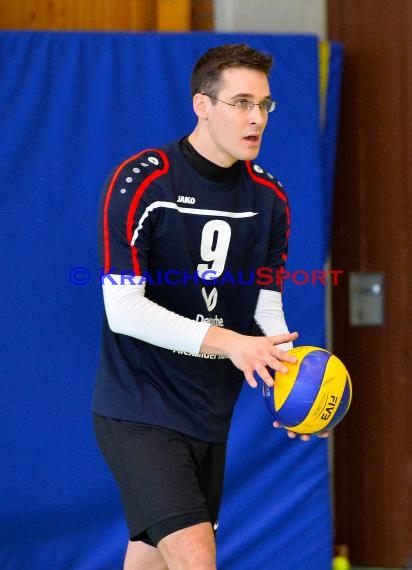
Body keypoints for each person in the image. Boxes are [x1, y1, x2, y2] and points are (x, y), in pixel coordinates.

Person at [93, 43, 311, 570]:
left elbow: (266, 308)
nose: (256, 117)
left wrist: (295, 384)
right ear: (203, 105)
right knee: (195, 559)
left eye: (264, 104)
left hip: (209, 413)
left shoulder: (270, 198)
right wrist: (231, 343)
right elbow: (123, 308)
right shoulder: (145, 180)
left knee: (152, 561)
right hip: (140, 408)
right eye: (241, 102)